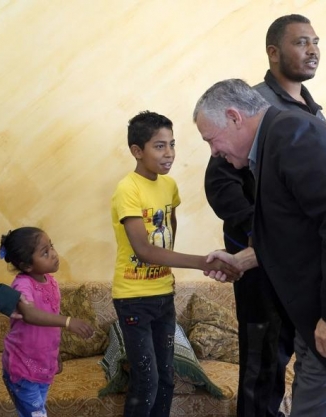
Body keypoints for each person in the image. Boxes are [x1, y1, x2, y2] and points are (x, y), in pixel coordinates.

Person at [193, 78, 326, 416]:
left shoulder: (292, 135)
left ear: (235, 117)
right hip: (316, 322)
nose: (214, 152)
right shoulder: (277, 139)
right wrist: (244, 260)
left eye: (211, 139)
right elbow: (302, 232)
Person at [203, 14, 322, 416]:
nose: (312, 50)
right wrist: (265, 231)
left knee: (307, 357)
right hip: (260, 264)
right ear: (273, 52)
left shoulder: (312, 111)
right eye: (301, 42)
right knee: (262, 365)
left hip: (302, 264)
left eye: (315, 42)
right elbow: (220, 182)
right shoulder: (251, 108)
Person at [111, 111, 239, 417]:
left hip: (163, 294)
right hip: (133, 299)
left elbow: (167, 240)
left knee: (166, 378)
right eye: (159, 146)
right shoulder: (128, 189)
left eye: (172, 144)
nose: (169, 153)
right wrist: (203, 262)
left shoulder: (169, 186)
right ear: (137, 151)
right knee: (147, 380)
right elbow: (145, 250)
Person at [0, 227, 93, 417]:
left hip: (43, 367)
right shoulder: (22, 285)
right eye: (45, 252)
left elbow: (50, 325)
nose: (54, 254)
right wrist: (68, 321)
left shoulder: (51, 282)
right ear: (27, 265)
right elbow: (30, 314)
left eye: (51, 246)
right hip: (23, 369)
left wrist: (55, 356)